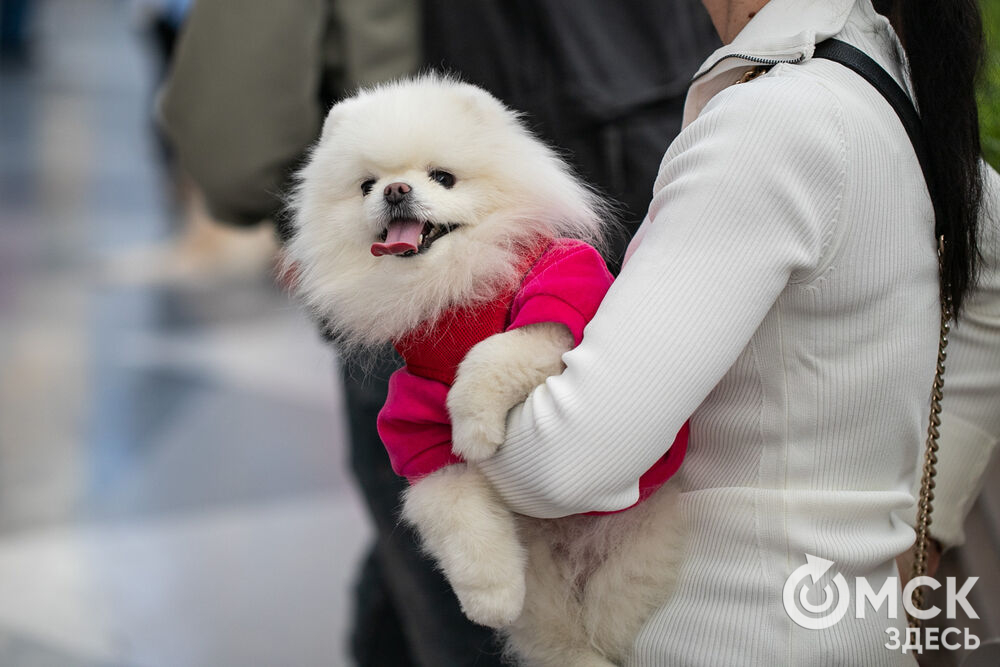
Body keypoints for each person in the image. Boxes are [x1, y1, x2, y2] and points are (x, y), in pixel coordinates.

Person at [158, 1, 720, 665]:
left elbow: (229, 138)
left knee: (460, 613)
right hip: (669, 202)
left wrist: (308, 227)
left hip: (432, 308)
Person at [468, 0, 1000, 664]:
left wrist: (456, 399)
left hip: (726, 631)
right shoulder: (883, 78)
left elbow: (565, 463)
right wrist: (919, 534)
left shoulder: (774, 122)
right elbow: (991, 252)